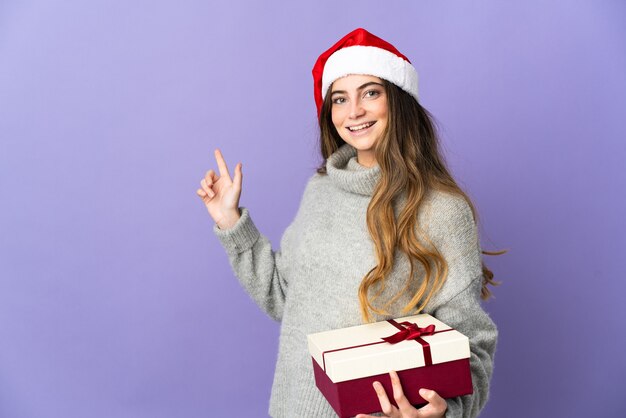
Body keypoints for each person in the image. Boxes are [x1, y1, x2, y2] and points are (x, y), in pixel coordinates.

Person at [197, 28, 499, 418]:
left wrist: (445, 412)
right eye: (340, 99)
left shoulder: (441, 210)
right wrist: (231, 222)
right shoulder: (321, 190)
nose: (353, 111)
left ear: (399, 101)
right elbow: (286, 300)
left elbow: (473, 343)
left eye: (370, 92)